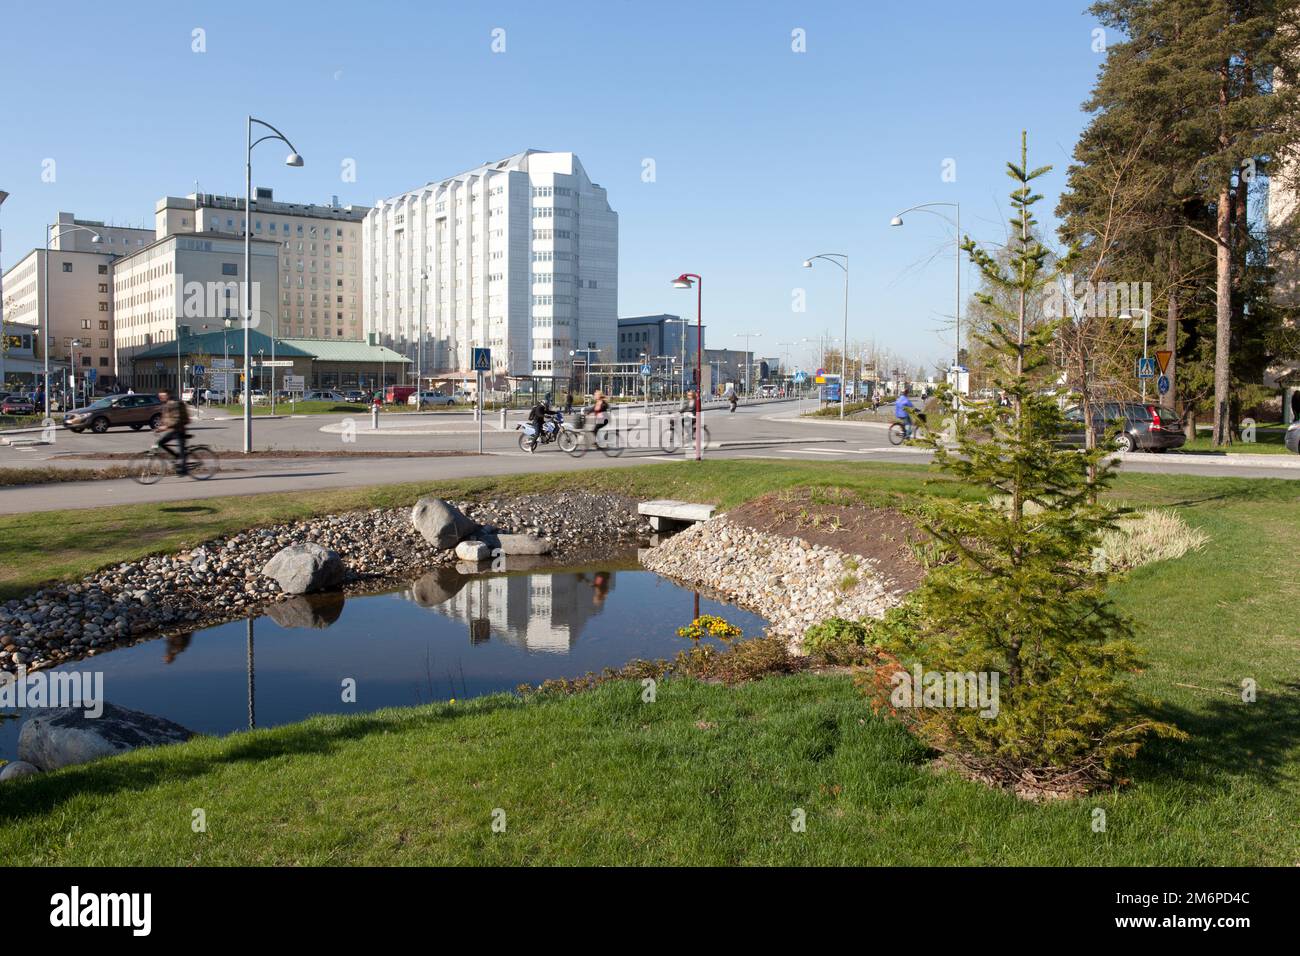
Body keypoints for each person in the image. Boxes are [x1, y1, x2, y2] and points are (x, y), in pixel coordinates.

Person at [156, 388, 191, 474]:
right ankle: (176, 456)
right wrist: (159, 427)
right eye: (160, 396)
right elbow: (165, 418)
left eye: (162, 396)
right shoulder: (166, 404)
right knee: (160, 443)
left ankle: (184, 468)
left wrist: (165, 427)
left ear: (167, 395)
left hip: (180, 429)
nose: (160, 398)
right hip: (173, 430)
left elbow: (177, 419)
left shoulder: (174, 404)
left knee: (181, 449)